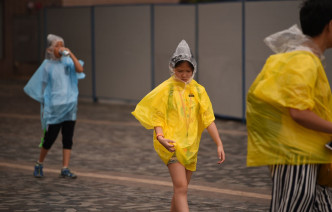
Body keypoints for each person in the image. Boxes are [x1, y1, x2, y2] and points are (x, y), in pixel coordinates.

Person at [246, 0, 332, 211]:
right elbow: (299, 112)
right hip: (296, 155)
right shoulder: (303, 61)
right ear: (330, 26)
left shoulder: (302, 59)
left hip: (309, 153)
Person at [132, 40, 225, 212]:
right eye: (180, 70)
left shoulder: (199, 91)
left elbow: (208, 119)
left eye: (187, 71)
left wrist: (218, 143)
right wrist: (160, 137)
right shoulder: (166, 89)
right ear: (172, 68)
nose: (184, 74)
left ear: (193, 70)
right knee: (181, 188)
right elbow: (157, 116)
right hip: (171, 145)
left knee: (180, 190)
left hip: (191, 148)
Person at [24, 34, 85, 179]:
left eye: (61, 45)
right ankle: (39, 163)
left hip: (70, 107)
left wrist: (70, 54)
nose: (60, 48)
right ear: (50, 49)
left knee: (68, 138)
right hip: (55, 108)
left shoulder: (68, 62)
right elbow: (44, 88)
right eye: (57, 45)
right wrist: (46, 107)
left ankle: (65, 167)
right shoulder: (47, 66)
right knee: (50, 138)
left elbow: (80, 70)